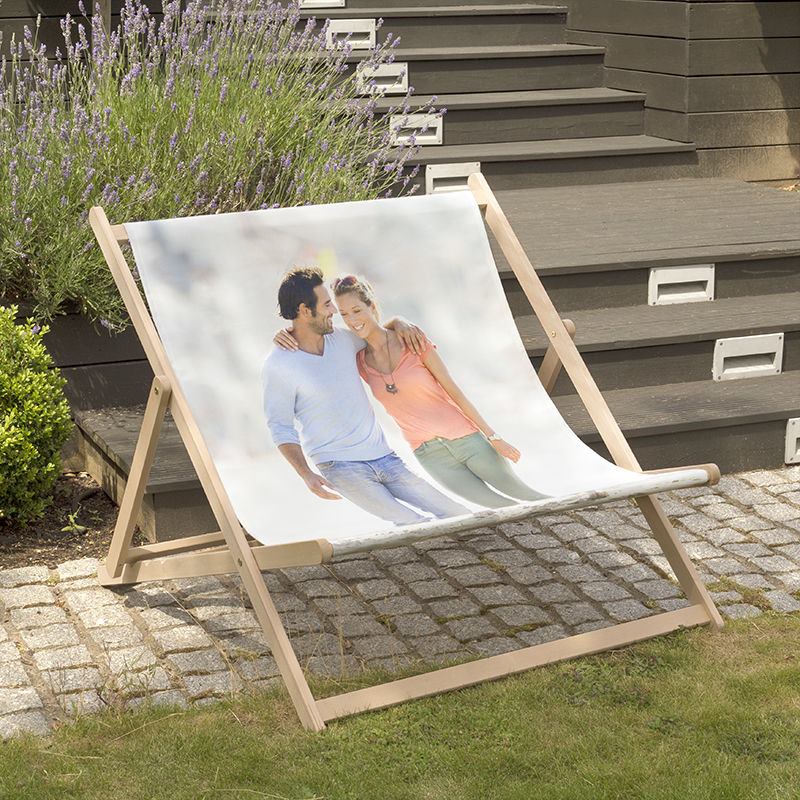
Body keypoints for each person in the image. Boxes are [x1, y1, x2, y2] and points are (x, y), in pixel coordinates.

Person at [276, 274, 547, 508]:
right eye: (344, 314)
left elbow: (454, 390)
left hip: (467, 439)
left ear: (372, 306)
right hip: (429, 455)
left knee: (528, 496)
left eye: (357, 310)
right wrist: (284, 333)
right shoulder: (357, 358)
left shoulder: (412, 342)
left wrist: (494, 436)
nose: (352, 320)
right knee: (498, 508)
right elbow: (313, 339)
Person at [262, 267, 468, 526]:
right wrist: (306, 474)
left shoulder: (344, 340)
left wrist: (398, 321)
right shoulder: (279, 365)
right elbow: (280, 427)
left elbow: (377, 334)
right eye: (327, 304)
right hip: (340, 466)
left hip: (385, 458)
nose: (334, 311)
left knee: (458, 512)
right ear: (304, 310)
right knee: (413, 523)